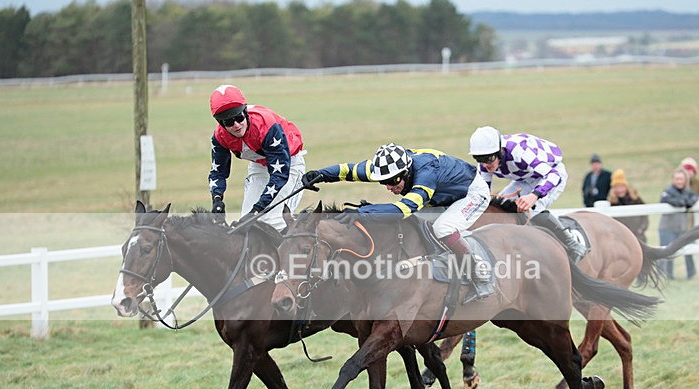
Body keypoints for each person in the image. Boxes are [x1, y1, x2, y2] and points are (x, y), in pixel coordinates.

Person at [302, 143, 493, 301]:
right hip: (441, 196)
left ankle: (479, 274)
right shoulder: (388, 167)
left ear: (406, 173)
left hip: (471, 194)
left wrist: (362, 212)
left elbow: (404, 209)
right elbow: (348, 171)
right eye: (383, 182)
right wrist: (320, 175)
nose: (388, 187)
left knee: (443, 228)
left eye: (393, 181)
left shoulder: (426, 174)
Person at [468, 126, 586, 262]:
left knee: (532, 208)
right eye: (479, 159)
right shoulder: (485, 164)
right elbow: (484, 193)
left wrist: (534, 195)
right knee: (502, 208)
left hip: (551, 174)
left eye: (488, 158)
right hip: (524, 179)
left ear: (500, 151)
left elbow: (553, 175)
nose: (485, 164)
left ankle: (572, 243)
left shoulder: (519, 152)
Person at [207, 84, 306, 232]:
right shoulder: (220, 137)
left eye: (239, 118)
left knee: (272, 222)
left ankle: (305, 236)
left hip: (288, 163)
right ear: (221, 124)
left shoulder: (267, 127)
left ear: (245, 112)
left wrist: (257, 209)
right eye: (229, 122)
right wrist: (217, 199)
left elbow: (279, 175)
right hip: (259, 165)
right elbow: (217, 173)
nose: (236, 125)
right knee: (247, 224)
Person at [658, 167, 699, 279]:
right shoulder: (667, 191)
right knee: (666, 254)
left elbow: (695, 197)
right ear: (673, 179)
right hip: (667, 228)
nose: (679, 181)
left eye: (681, 179)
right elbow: (670, 200)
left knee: (688, 251)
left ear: (685, 180)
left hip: (682, 228)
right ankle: (667, 277)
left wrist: (688, 202)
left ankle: (691, 275)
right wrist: (683, 202)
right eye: (677, 179)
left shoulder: (687, 191)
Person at [606, 168, 649, 243]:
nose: (619, 190)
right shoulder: (611, 203)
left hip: (638, 237)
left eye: (621, 186)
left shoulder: (635, 199)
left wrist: (641, 229)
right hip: (620, 239)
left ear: (626, 186)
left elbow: (644, 215)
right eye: (616, 187)